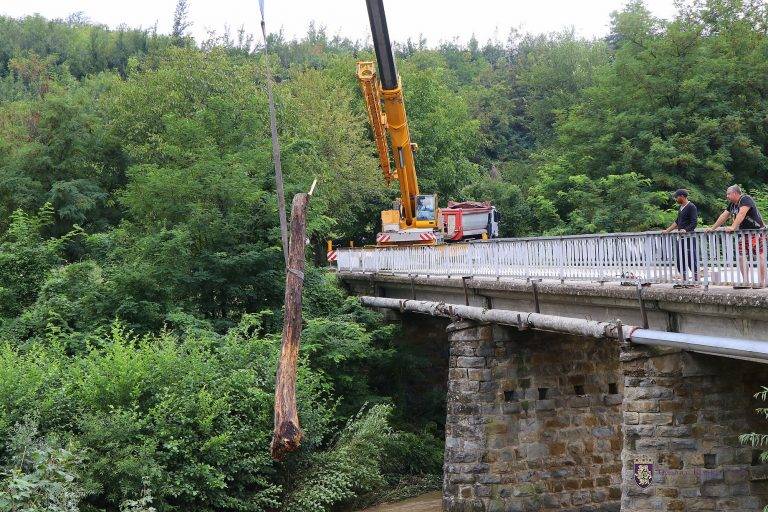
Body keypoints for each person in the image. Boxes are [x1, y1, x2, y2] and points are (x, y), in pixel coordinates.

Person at [707, 185, 766, 288]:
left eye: (728, 194)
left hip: (756, 232)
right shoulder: (733, 205)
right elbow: (724, 216)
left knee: (759, 256)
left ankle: (761, 283)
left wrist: (733, 227)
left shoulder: (745, 199)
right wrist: (713, 228)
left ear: (735, 193)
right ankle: (746, 282)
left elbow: (742, 213)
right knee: (740, 256)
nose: (727, 196)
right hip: (744, 234)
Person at [663, 189, 698, 282]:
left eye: (677, 197)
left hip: (689, 237)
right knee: (679, 258)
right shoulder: (681, 208)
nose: (676, 199)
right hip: (681, 238)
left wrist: (685, 230)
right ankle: (684, 278)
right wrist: (667, 230)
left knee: (691, 257)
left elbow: (694, 222)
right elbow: (677, 222)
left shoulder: (691, 206)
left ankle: (696, 279)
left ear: (682, 196)